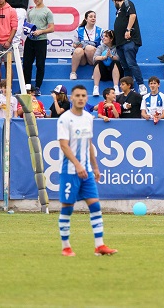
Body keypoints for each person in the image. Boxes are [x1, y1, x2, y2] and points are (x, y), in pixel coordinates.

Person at [56, 84, 117, 257]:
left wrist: (95, 166)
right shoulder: (65, 119)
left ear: (87, 98)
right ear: (72, 98)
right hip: (69, 171)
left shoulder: (88, 118)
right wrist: (77, 164)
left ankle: (99, 245)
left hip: (87, 171)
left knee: (95, 206)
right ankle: (66, 246)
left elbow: (89, 143)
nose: (81, 98)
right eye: (77, 95)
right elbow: (63, 145)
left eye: (83, 95)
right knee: (67, 207)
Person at [112, 0, 146, 95]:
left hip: (129, 41)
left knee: (131, 63)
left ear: (116, 0)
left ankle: (141, 85)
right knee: (125, 66)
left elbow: (132, 16)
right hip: (120, 43)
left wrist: (128, 30)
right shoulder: (118, 11)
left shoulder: (127, 3)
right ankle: (129, 88)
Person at [22, 0, 54, 95]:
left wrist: (41, 31)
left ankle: (37, 87)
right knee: (26, 64)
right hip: (30, 41)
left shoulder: (47, 11)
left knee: (40, 65)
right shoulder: (30, 11)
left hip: (41, 41)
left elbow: (52, 28)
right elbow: (28, 25)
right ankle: (27, 86)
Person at [70, 10, 102, 80]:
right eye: (90, 17)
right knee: (78, 50)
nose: (93, 18)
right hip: (82, 58)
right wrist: (76, 45)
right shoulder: (79, 30)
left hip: (93, 56)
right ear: (86, 19)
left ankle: (95, 72)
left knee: (89, 48)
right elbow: (74, 43)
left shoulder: (100, 31)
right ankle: (73, 73)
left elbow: (103, 45)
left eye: (94, 17)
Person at [91, 30, 122, 97]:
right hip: (104, 72)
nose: (103, 38)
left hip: (114, 71)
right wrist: (103, 57)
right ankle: (96, 87)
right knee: (97, 62)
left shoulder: (117, 47)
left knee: (115, 62)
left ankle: (116, 87)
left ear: (111, 39)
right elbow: (95, 58)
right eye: (103, 36)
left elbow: (120, 59)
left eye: (106, 36)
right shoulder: (101, 47)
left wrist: (111, 56)